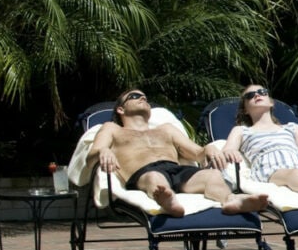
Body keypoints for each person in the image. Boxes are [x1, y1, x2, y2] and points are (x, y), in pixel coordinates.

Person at [86, 89, 269, 217]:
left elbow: (196, 152)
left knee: (212, 176)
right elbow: (91, 156)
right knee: (155, 178)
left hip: (177, 170)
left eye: (145, 97)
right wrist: (103, 150)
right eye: (135, 96)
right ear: (120, 109)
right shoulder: (112, 129)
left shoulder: (166, 129)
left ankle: (230, 200)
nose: (143, 98)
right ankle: (168, 201)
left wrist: (208, 148)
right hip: (144, 172)